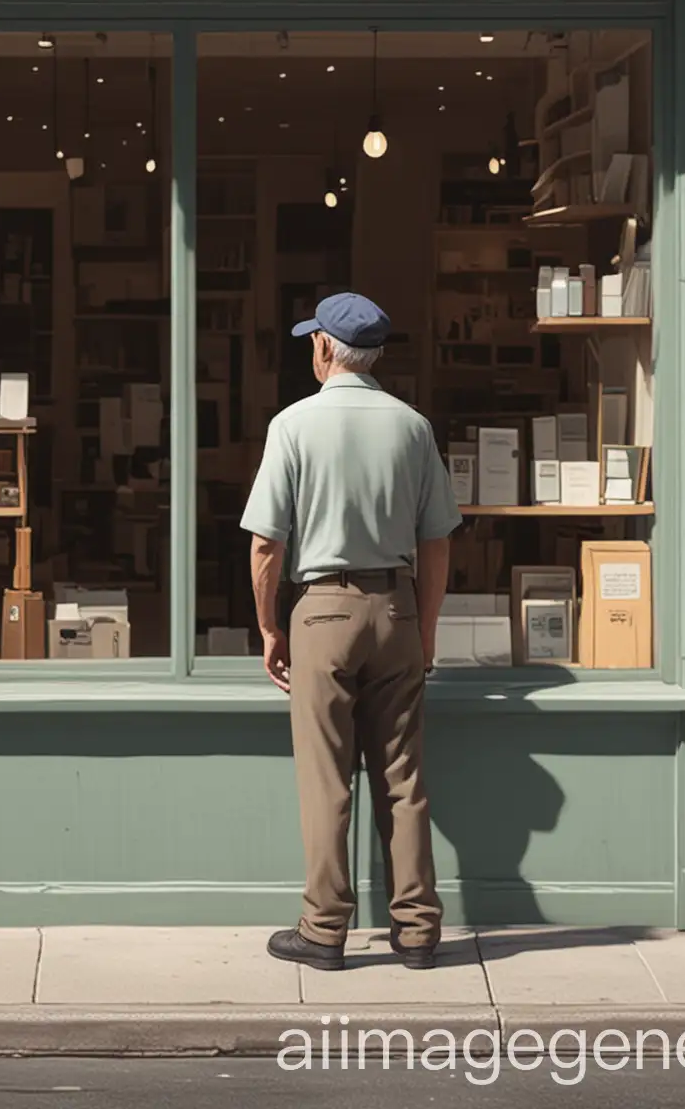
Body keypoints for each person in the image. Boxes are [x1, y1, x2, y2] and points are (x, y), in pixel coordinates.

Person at [240, 292, 461, 973]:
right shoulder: (412, 428)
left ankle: (325, 928)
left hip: (325, 610)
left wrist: (270, 626)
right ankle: (418, 928)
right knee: (403, 777)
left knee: (326, 780)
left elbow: (266, 545)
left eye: (313, 340)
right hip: (395, 607)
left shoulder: (294, 425)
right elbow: (437, 544)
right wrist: (423, 630)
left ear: (325, 349)